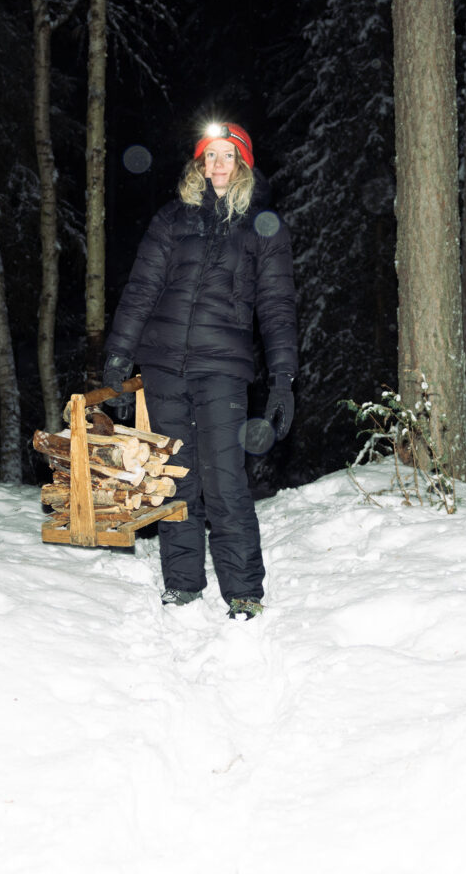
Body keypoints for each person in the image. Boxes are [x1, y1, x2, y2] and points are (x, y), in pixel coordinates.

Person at [102, 122, 297, 620]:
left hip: (224, 370)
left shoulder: (263, 227)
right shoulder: (172, 220)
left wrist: (283, 378)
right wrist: (117, 360)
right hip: (164, 364)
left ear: (243, 164)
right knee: (175, 477)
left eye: (227, 156)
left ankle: (243, 590)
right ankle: (183, 584)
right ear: (199, 164)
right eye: (209, 156)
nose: (217, 165)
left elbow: (276, 307)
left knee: (226, 478)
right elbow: (141, 290)